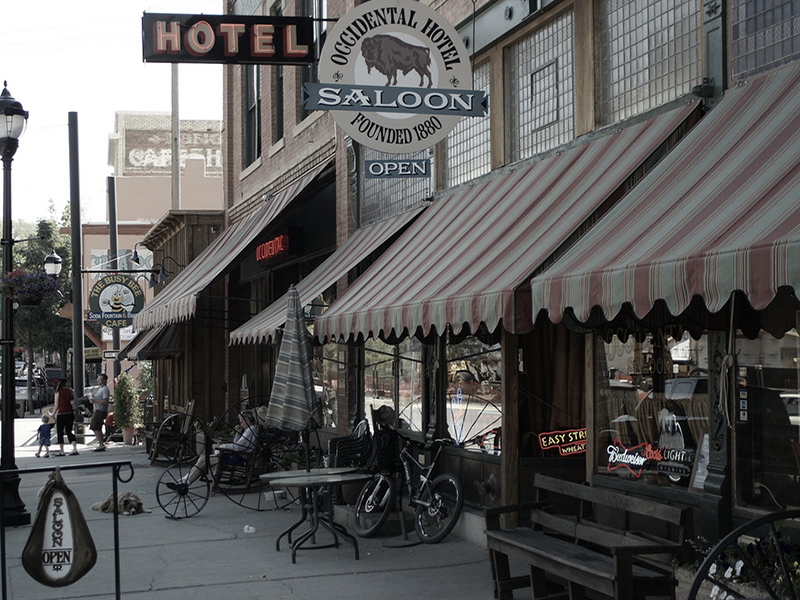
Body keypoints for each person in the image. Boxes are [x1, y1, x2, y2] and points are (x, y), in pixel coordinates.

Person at [172, 411, 259, 487]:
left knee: (203, 461)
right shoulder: (249, 431)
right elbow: (238, 444)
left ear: (248, 421)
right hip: (235, 455)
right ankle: (184, 480)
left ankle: (185, 483)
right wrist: (238, 434)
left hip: (238, 458)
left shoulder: (250, 432)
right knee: (202, 459)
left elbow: (238, 447)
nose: (241, 424)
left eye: (242, 422)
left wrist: (220, 447)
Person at [83, 374, 110, 452]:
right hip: (97, 409)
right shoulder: (100, 389)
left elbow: (105, 401)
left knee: (94, 426)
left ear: (104, 381)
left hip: (100, 410)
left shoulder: (104, 389)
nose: (98, 380)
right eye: (97, 379)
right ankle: (101, 443)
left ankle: (101, 444)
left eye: (99, 379)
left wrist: (95, 400)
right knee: (97, 427)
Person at [53, 379, 79, 456]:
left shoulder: (58, 392)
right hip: (70, 413)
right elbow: (76, 400)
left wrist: (53, 414)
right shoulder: (71, 391)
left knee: (60, 432)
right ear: (66, 383)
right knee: (69, 431)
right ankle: (75, 449)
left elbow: (56, 405)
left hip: (61, 414)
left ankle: (62, 451)